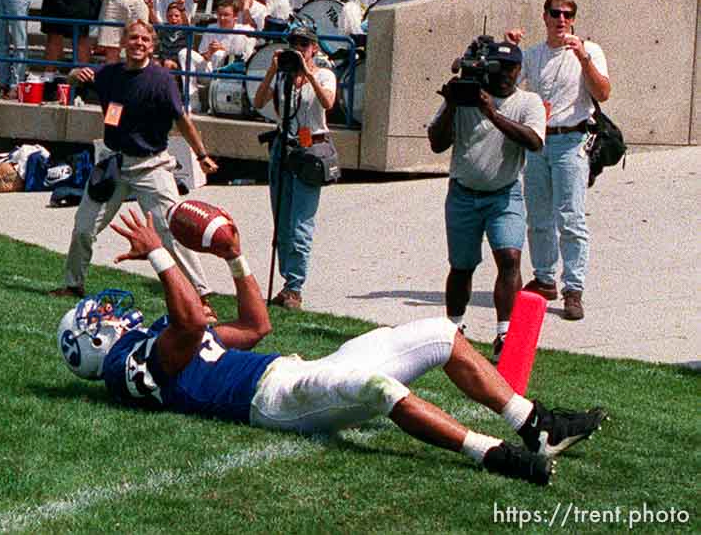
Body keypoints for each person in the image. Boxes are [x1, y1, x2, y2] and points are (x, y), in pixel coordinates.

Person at [57, 206, 605, 487]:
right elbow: (185, 319)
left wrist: (235, 257)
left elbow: (256, 326)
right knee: (377, 387)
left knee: (442, 333)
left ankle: (536, 426)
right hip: (278, 403)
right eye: (101, 317)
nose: (114, 312)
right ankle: (496, 455)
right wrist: (161, 254)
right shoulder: (144, 363)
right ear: (96, 342)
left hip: (296, 372)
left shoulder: (168, 341)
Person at [51, 19, 217, 309]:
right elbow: (72, 79)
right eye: (133, 38)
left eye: (144, 39)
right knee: (83, 228)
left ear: (151, 46)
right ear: (124, 42)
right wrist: (75, 73)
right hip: (113, 165)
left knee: (171, 231)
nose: (138, 43)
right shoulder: (109, 74)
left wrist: (202, 156)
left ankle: (200, 293)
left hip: (151, 166)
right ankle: (72, 284)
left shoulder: (162, 80)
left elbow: (183, 121)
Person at [427, 41, 546, 361]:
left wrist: (491, 112)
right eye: (498, 67)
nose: (505, 75)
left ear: (520, 70)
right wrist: (452, 105)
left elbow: (534, 142)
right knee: (462, 266)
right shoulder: (466, 95)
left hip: (504, 193)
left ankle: (505, 332)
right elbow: (437, 143)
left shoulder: (528, 101)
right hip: (464, 193)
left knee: (509, 257)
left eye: (511, 68)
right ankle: (454, 327)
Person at [508, 0, 611, 322]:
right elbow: (506, 88)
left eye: (567, 15)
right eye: (555, 14)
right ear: (545, 17)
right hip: (538, 141)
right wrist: (510, 51)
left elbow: (604, 92)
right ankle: (545, 278)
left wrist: (583, 59)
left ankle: (573, 288)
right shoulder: (534, 53)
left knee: (571, 217)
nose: (561, 20)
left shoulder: (589, 50)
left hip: (571, 140)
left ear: (574, 19)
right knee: (538, 217)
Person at [252, 27, 337, 310]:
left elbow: (328, 103)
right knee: (282, 221)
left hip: (310, 149)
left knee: (301, 223)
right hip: (283, 147)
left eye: (303, 44)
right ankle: (288, 281)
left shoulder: (324, 74)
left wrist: (309, 74)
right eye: (293, 44)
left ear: (314, 47)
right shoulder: (283, 77)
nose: (298, 49)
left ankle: (295, 287)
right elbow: (258, 102)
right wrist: (273, 70)